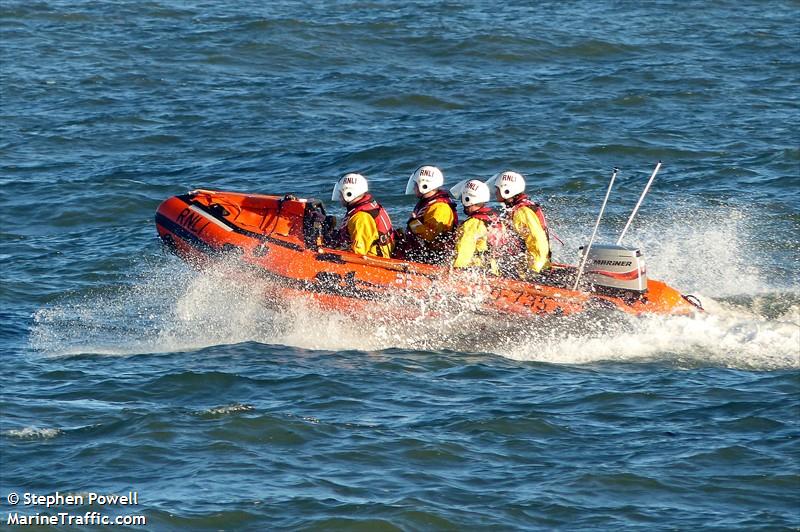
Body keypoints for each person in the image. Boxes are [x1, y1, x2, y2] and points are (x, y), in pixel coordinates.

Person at [486, 170, 551, 277]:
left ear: (506, 191)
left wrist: (534, 269)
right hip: (527, 264)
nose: (496, 192)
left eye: (498, 189)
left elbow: (538, 240)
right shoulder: (519, 208)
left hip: (533, 268)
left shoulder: (522, 212)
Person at [399, 165, 458, 263]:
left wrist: (413, 223)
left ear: (424, 186)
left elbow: (430, 235)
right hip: (422, 251)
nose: (414, 188)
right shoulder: (428, 203)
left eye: (416, 185)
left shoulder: (440, 208)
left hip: (433, 257)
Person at [329, 173, 395, 257]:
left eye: (340, 194)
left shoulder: (361, 218)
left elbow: (358, 253)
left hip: (373, 264)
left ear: (348, 194)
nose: (339, 197)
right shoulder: (369, 206)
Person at [450, 179, 506, 275]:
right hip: (493, 270)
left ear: (467, 199)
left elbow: (464, 250)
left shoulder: (472, 224)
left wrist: (456, 270)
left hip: (475, 271)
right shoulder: (494, 218)